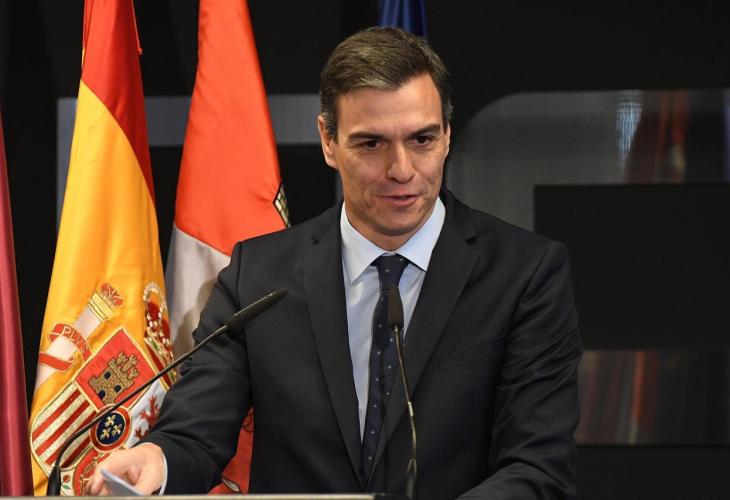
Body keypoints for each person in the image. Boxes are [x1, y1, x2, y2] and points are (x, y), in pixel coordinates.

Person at [88, 27, 581, 499]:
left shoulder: (524, 274)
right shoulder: (258, 276)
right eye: (371, 143)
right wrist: (157, 459)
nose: (401, 169)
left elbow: (537, 466)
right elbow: (197, 430)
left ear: (448, 135)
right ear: (328, 140)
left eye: (422, 139)